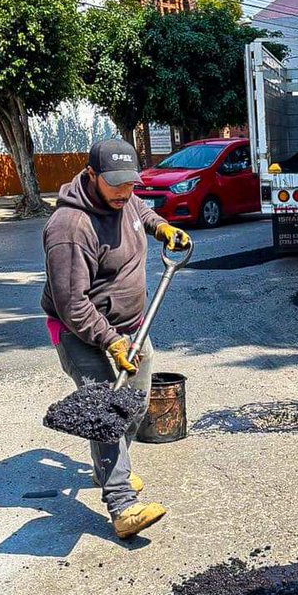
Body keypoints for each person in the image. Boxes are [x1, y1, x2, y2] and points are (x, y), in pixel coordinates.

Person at [41, 138, 190, 540]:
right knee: (107, 411)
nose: (126, 192)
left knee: (136, 403)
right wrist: (111, 342)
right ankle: (122, 505)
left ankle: (108, 463)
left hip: (131, 327)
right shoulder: (70, 229)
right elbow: (71, 304)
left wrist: (163, 227)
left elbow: (140, 209)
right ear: (91, 176)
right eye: (115, 184)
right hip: (80, 332)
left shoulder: (125, 200)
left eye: (131, 183)